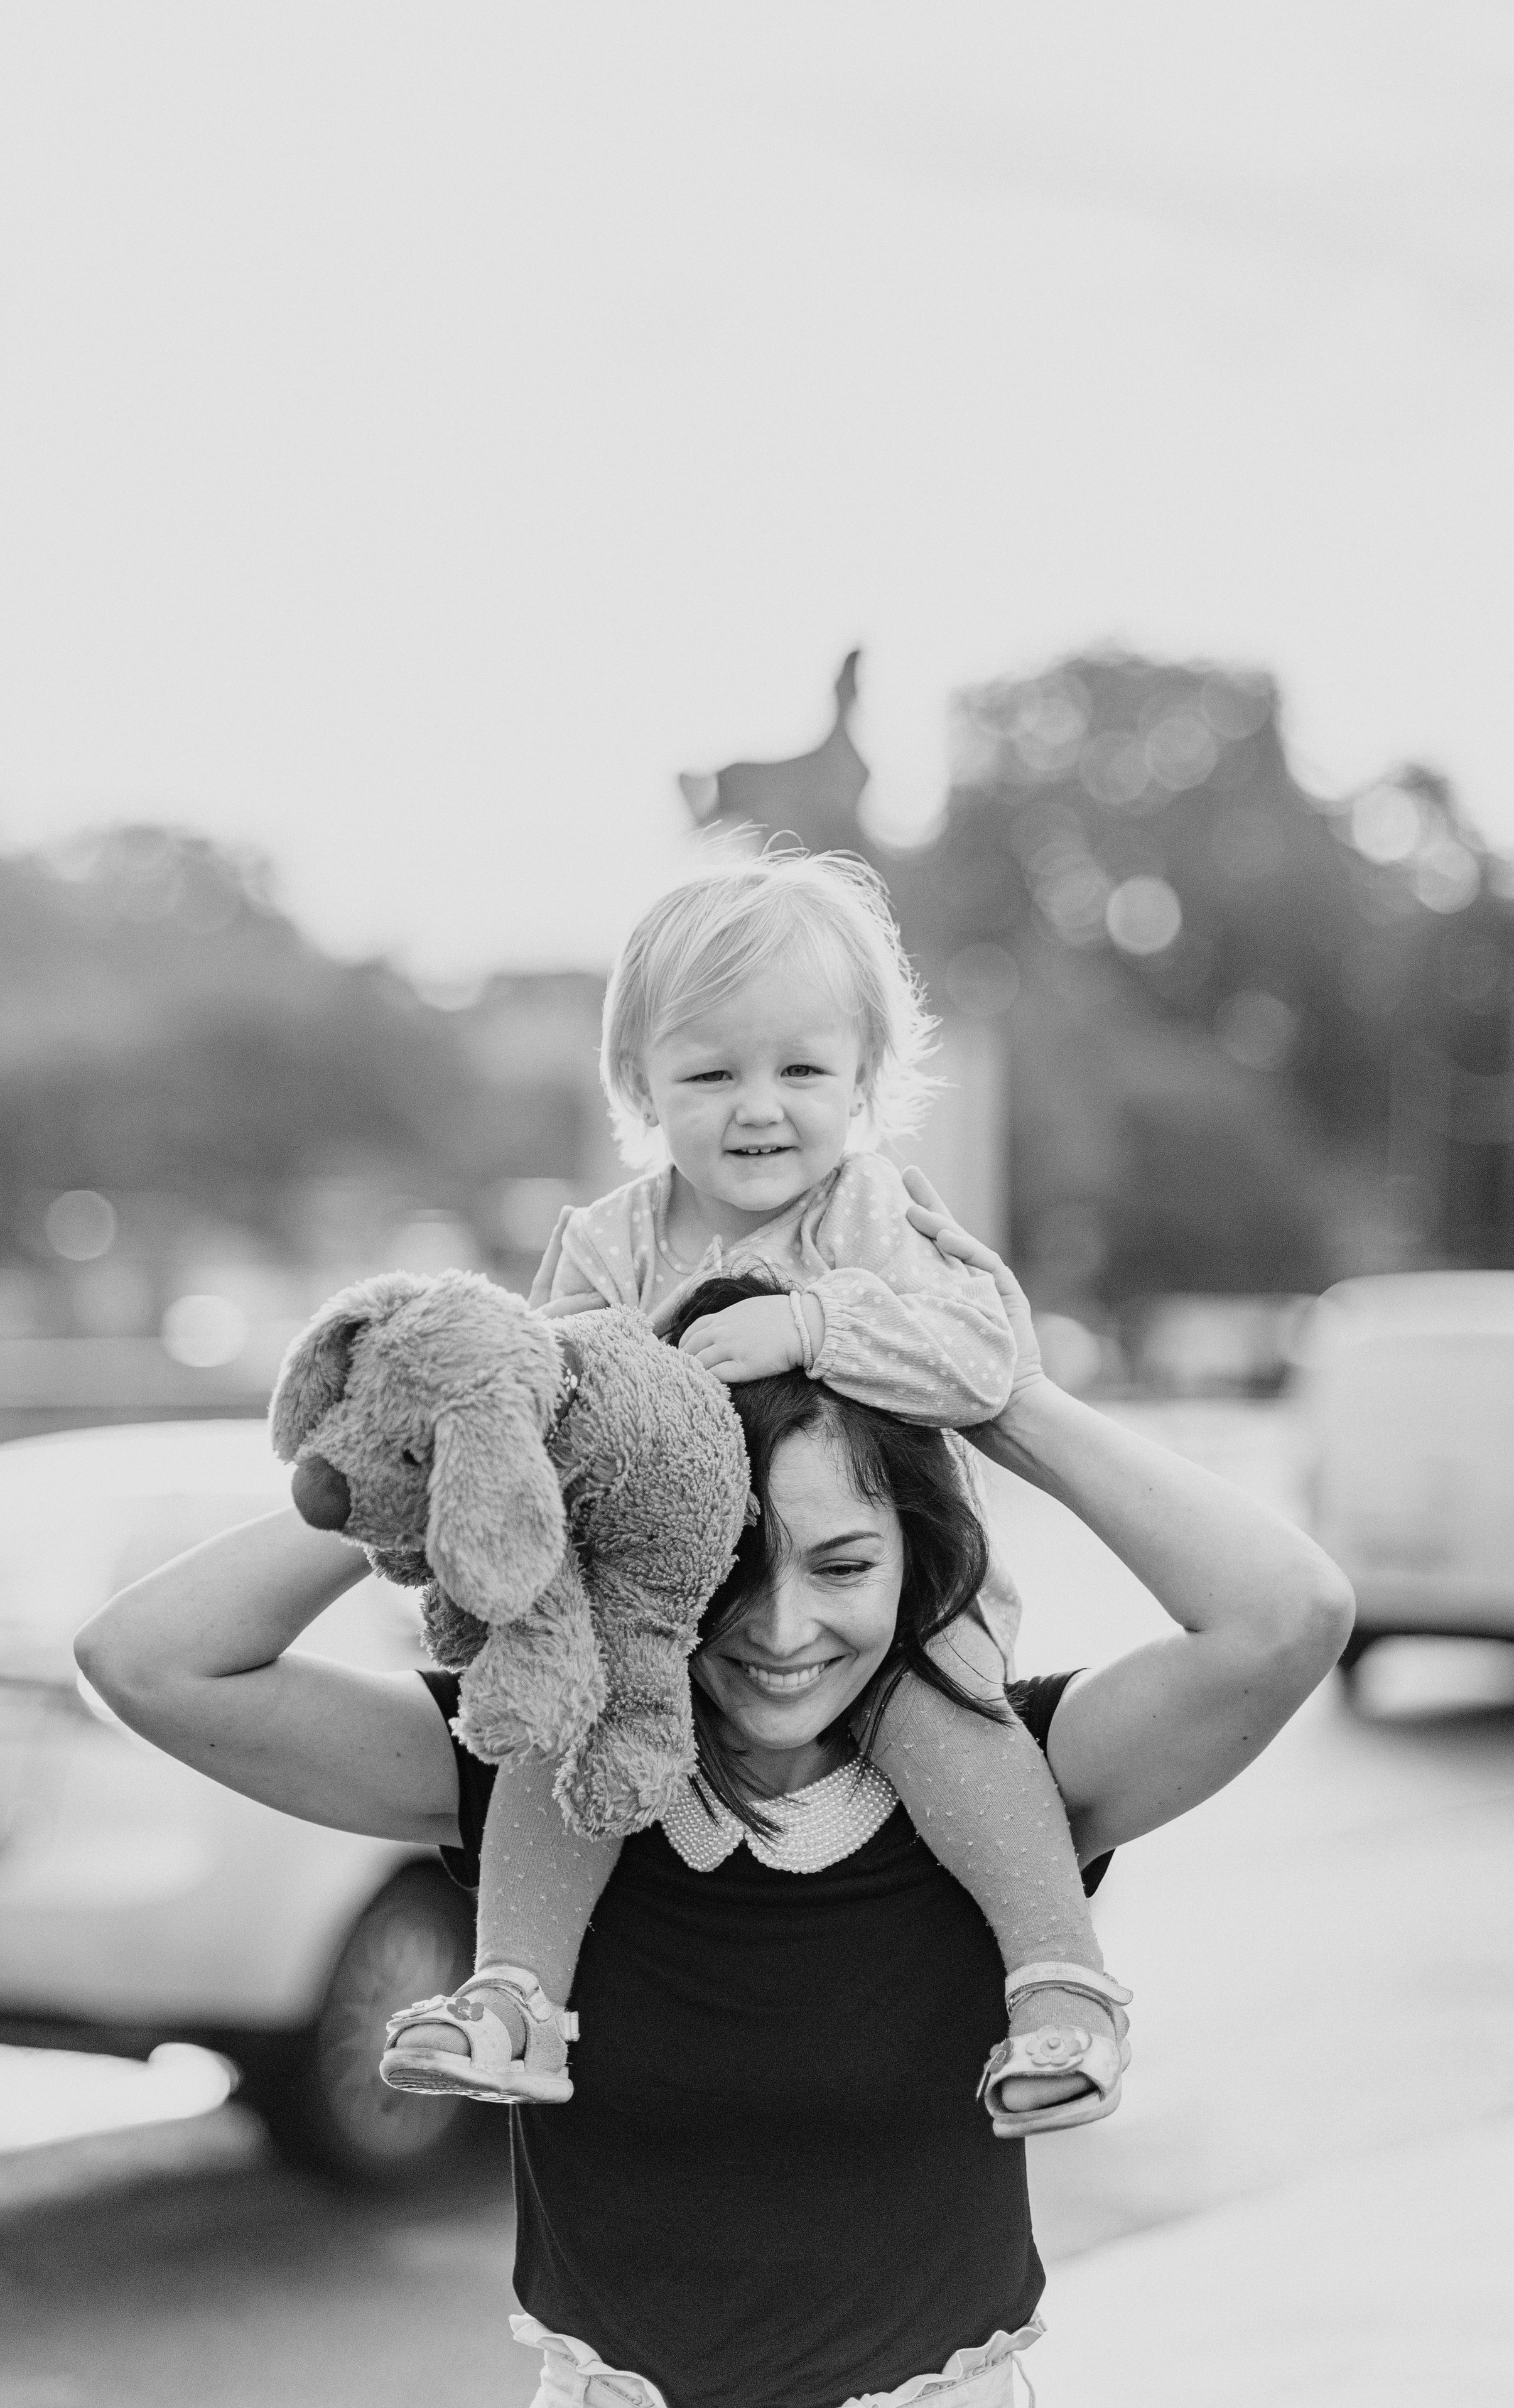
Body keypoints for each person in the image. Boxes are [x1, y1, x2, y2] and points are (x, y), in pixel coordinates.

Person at [75, 1214, 1353, 2408]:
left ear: (918, 1556)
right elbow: (147, 1659)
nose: (786, 1632)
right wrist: (489, 1410)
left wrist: (992, 1387)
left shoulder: (1013, 1776)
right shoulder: (550, 1768)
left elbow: (1286, 1614)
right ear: (648, 1544)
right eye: (735, 1568)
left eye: (844, 1564)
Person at [382, 851, 1125, 2132]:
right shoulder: (607, 1240)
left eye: (800, 1070)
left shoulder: (869, 1217)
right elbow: (558, 1403)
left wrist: (811, 1326)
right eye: (710, 1073)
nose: (757, 1108)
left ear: (864, 1083)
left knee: (955, 1721)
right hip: (667, 1605)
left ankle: (1061, 1986)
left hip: (870, 1598)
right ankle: (511, 2000)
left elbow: (986, 1351)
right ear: (639, 1086)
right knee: (565, 1736)